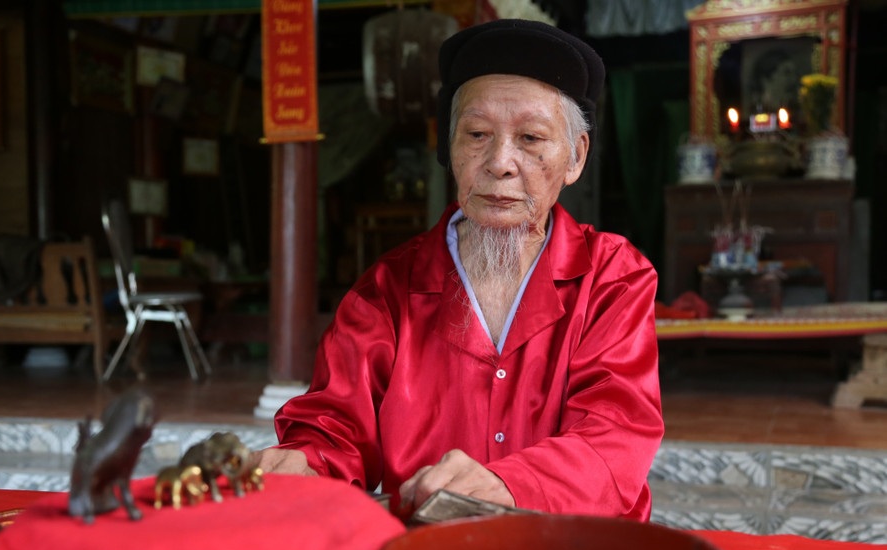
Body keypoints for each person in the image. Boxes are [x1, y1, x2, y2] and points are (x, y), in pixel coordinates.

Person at [253, 19, 664, 521]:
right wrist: (303, 463)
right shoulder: (386, 291)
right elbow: (335, 426)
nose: (500, 162)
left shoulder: (612, 277)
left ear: (575, 157)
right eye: (477, 134)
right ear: (449, 148)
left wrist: (509, 484)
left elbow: (615, 435)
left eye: (531, 137)